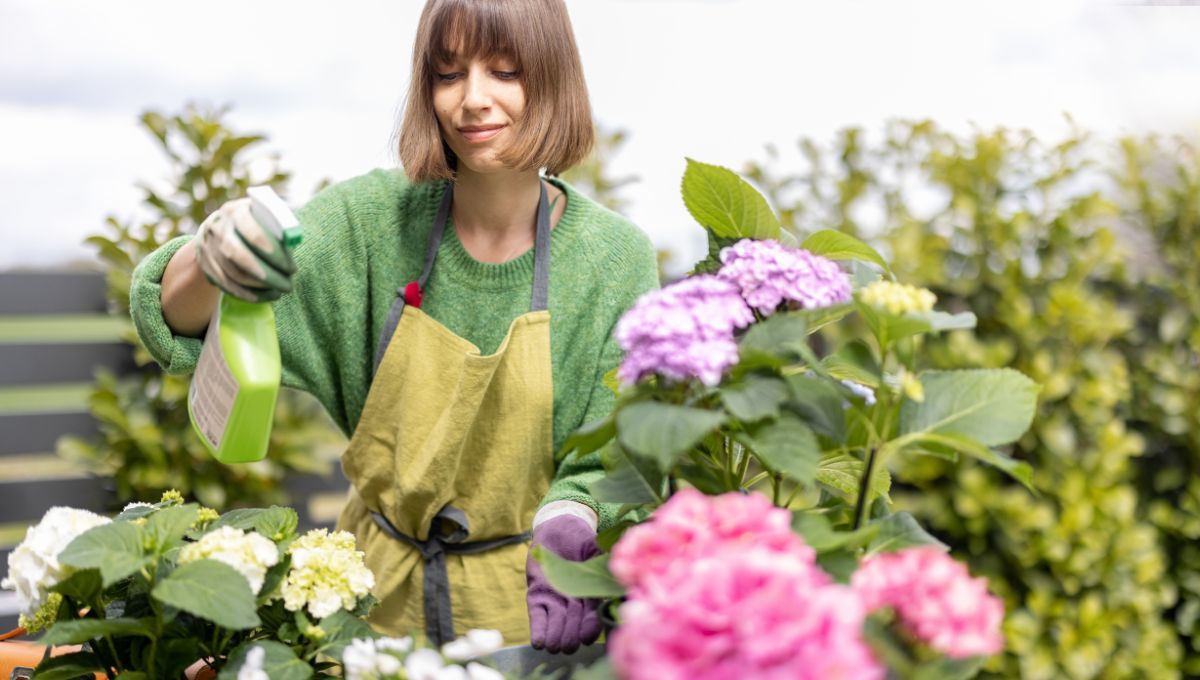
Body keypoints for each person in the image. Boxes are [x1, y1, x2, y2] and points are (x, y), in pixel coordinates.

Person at [128, 0, 659, 655]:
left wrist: (574, 516)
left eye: (505, 71)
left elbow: (616, 457)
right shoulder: (371, 223)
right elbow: (177, 321)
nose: (472, 100)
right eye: (447, 73)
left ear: (552, 80)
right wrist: (212, 255)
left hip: (533, 617)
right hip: (366, 611)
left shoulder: (613, 258)